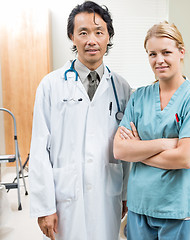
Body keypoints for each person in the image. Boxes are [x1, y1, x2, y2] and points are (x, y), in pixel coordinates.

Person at [28, 2, 132, 240]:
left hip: (108, 193)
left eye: (98, 32)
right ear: (72, 36)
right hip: (66, 197)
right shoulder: (51, 85)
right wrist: (45, 206)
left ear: (108, 36)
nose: (91, 40)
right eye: (83, 33)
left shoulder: (122, 89)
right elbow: (39, 148)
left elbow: (127, 149)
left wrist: (126, 193)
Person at [113, 21, 190, 240]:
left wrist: (139, 151)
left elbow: (185, 158)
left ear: (181, 52)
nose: (159, 60)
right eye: (152, 54)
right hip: (140, 205)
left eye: (166, 52)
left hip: (180, 206)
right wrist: (166, 143)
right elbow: (120, 150)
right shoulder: (138, 97)